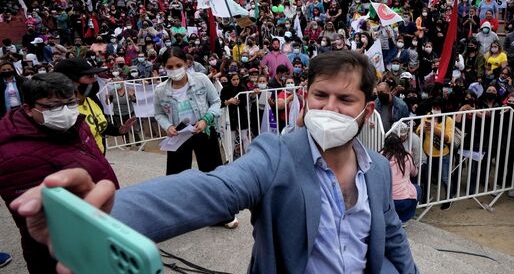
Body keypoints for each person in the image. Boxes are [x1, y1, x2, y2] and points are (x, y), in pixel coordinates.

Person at [11, 50, 419, 274]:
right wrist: (108, 215)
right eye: (319, 96)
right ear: (304, 99)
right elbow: (212, 189)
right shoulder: (276, 154)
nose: (329, 107)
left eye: (344, 99)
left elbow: (391, 237)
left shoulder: (378, 169)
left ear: (367, 112)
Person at [0, 72, 119, 274]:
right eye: (53, 106)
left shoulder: (77, 124)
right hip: (64, 254)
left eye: (71, 103)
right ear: (28, 108)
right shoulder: (15, 156)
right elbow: (49, 219)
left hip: (101, 230)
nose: (65, 111)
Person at [153, 47, 223, 176]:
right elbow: (159, 113)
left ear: (186, 63)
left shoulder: (201, 79)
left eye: (178, 65)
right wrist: (168, 126)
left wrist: (206, 119)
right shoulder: (160, 90)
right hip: (179, 134)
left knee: (212, 172)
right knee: (177, 176)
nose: (175, 70)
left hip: (204, 130)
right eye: (170, 67)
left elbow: (216, 101)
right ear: (164, 67)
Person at [54, 57, 136, 154]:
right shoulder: (58, 111)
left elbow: (101, 124)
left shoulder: (92, 99)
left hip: (99, 158)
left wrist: (119, 130)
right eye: (89, 76)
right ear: (69, 82)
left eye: (94, 75)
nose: (94, 80)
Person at [381, 133, 420, 225]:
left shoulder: (380, 156)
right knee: (418, 189)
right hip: (404, 199)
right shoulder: (407, 157)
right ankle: (404, 218)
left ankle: (390, 218)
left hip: (385, 200)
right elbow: (414, 173)